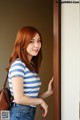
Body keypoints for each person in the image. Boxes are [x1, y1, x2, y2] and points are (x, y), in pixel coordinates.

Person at [7, 26, 53, 120]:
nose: (36, 45)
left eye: (38, 41)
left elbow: (29, 97)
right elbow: (19, 99)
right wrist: (40, 101)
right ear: (22, 44)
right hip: (20, 114)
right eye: (31, 41)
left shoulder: (29, 66)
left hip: (25, 113)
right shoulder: (18, 65)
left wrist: (48, 93)